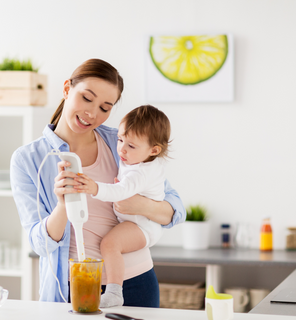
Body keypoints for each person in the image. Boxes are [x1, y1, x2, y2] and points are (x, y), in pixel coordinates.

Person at [10, 58, 186, 307]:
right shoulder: (28, 159)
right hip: (73, 285)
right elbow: (39, 244)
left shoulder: (123, 143)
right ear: (67, 89)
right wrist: (62, 206)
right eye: (86, 98)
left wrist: (138, 205)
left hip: (135, 281)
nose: (92, 114)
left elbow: (176, 210)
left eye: (105, 108)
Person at [74, 104, 171, 307]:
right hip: (137, 224)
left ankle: (115, 292)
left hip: (143, 227)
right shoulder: (138, 158)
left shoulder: (142, 172)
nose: (122, 149)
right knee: (111, 244)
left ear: (154, 150)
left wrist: (94, 188)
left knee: (110, 245)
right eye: (119, 140)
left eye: (131, 146)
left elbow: (121, 192)